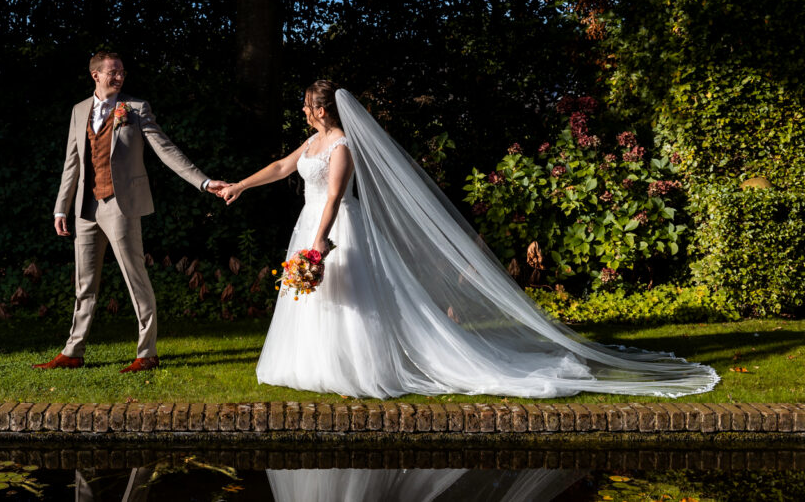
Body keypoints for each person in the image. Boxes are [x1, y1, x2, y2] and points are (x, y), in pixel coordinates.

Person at [219, 80, 720, 398]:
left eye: (307, 106)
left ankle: (355, 369)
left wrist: (321, 241)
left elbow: (332, 198)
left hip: (334, 226)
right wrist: (241, 184)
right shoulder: (313, 142)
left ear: (322, 110)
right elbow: (285, 167)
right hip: (309, 223)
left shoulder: (343, 146)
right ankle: (310, 364)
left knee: (353, 299)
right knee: (318, 299)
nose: (303, 112)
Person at [33, 52, 226, 373]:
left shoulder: (136, 109)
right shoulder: (79, 110)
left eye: (122, 72)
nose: (120, 77)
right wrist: (60, 208)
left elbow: (165, 149)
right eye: (113, 72)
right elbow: (72, 162)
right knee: (84, 284)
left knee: (135, 278)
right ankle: (73, 352)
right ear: (95, 75)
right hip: (85, 208)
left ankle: (147, 352)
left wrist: (204, 182)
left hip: (120, 206)